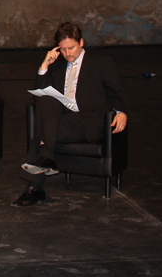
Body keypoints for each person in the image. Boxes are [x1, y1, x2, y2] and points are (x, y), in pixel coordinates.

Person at [12, 21, 128, 206]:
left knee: (43, 129)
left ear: (81, 42)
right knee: (46, 100)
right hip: (65, 119)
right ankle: (45, 158)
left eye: (71, 48)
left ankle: (35, 186)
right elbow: (39, 97)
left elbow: (116, 92)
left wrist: (121, 112)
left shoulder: (101, 62)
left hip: (88, 120)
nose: (68, 53)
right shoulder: (57, 67)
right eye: (63, 49)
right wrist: (44, 66)